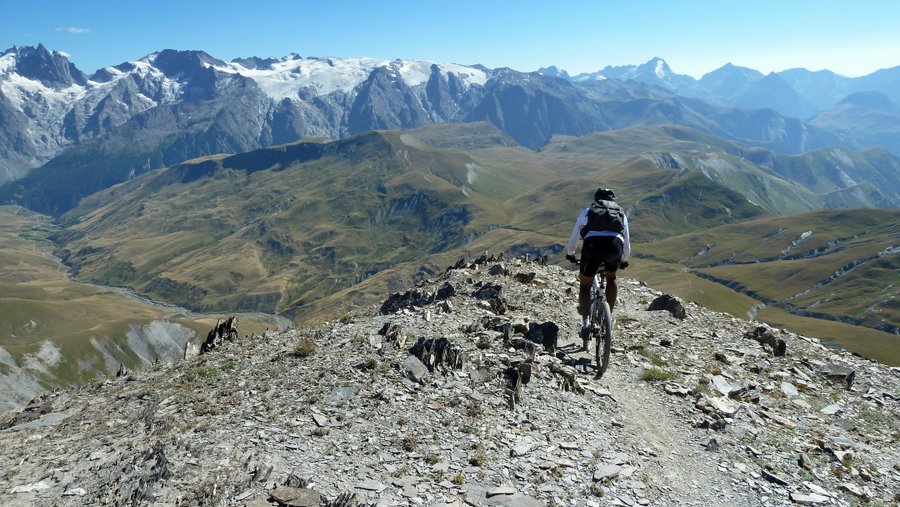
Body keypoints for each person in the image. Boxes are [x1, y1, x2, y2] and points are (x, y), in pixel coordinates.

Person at [565, 188, 631, 340]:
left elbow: (575, 235)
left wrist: (571, 253)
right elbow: (626, 242)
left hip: (592, 246)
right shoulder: (621, 213)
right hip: (614, 246)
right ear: (612, 200)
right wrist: (624, 260)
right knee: (612, 278)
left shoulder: (587, 211)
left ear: (596, 199)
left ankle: (585, 324)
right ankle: (607, 318)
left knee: (585, 285)